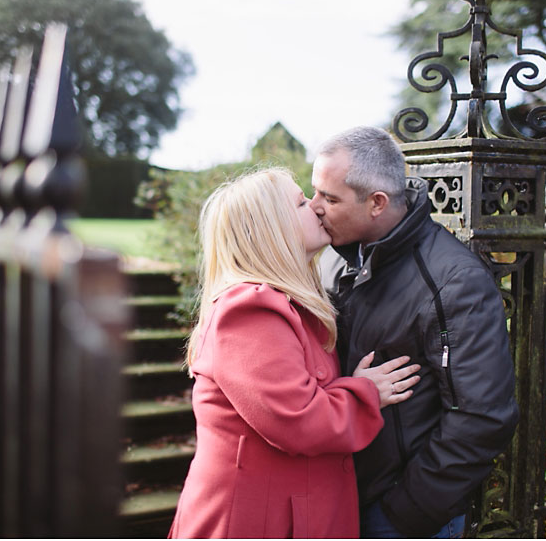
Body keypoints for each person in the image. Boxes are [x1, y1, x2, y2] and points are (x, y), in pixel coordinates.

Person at [168, 167, 421, 539]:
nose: (318, 207)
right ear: (274, 227)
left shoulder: (285, 302)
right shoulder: (248, 312)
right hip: (257, 522)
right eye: (302, 202)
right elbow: (299, 418)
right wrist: (366, 392)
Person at [311, 126, 520, 538]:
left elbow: (483, 416)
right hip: (337, 496)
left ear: (377, 203)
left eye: (329, 198)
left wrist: (404, 512)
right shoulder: (331, 261)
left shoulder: (453, 280)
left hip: (400, 515)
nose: (314, 206)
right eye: (315, 192)